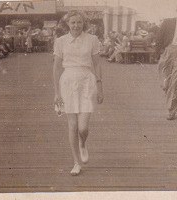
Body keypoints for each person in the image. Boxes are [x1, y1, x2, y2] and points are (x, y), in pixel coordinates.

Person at [53, 10, 103, 176]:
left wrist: (100, 87)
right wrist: (56, 93)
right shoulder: (61, 41)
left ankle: (83, 143)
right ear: (68, 24)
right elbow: (56, 67)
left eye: (79, 22)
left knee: (83, 127)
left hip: (87, 82)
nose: (76, 25)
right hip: (67, 82)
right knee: (72, 125)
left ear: (84, 23)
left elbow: (97, 65)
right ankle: (76, 162)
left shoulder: (92, 40)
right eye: (73, 22)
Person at [156, 1, 177, 120]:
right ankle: (172, 95)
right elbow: (159, 38)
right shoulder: (168, 22)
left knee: (176, 82)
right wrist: (159, 54)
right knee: (166, 82)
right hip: (168, 51)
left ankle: (171, 109)